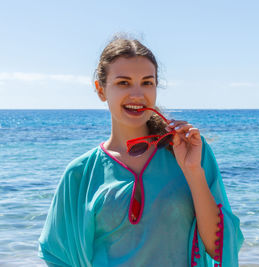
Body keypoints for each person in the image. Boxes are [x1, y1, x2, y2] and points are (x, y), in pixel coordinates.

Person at [38, 35, 244, 267]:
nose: (137, 94)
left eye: (147, 82)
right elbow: (59, 257)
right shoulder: (80, 173)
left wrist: (192, 170)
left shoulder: (190, 151)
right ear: (101, 90)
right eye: (123, 83)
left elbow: (218, 249)